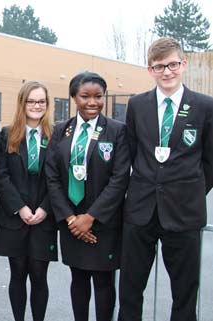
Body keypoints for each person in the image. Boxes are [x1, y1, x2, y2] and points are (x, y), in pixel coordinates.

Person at [118, 38, 213, 321]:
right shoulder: (136, 105)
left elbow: (209, 160)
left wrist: (191, 191)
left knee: (185, 292)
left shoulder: (205, 106)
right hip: (140, 212)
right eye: (159, 66)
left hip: (183, 214)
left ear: (183, 65)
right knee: (130, 289)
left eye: (172, 64)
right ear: (150, 70)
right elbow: (131, 155)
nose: (167, 72)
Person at [46, 72, 130, 321]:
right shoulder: (61, 131)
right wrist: (72, 220)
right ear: (73, 97)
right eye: (85, 96)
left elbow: (119, 178)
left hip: (103, 223)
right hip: (72, 224)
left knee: (104, 284)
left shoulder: (117, 131)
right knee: (78, 280)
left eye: (98, 96)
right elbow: (52, 177)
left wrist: (91, 217)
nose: (92, 102)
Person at [0, 81, 57, 321]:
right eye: (31, 101)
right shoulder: (8, 134)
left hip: (43, 216)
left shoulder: (55, 135)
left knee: (39, 275)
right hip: (14, 215)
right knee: (17, 273)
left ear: (47, 105)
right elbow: (1, 174)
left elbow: (58, 178)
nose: (36, 106)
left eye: (41, 101)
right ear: (22, 103)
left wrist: (44, 209)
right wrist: (20, 207)